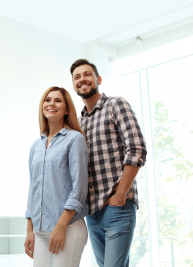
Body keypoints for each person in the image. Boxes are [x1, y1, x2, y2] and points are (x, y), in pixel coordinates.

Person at [70, 59, 147, 267]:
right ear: (73, 84)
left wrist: (120, 193)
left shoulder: (115, 104)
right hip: (92, 213)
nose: (82, 80)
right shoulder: (80, 122)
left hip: (118, 207)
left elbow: (137, 148)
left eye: (87, 74)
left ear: (98, 79)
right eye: (77, 77)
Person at [24, 87, 89, 267]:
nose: (51, 103)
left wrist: (61, 226)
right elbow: (33, 188)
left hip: (68, 227)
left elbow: (80, 187)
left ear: (67, 109)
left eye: (58, 101)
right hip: (40, 230)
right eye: (47, 100)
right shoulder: (36, 146)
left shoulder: (75, 139)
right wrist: (30, 230)